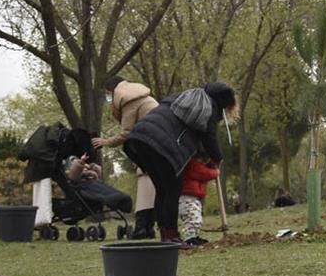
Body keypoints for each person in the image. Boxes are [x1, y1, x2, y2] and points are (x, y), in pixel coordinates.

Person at [123, 82, 237, 248]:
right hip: (160, 144)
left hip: (138, 139)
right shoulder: (208, 107)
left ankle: (165, 234)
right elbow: (209, 138)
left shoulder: (183, 96)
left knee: (162, 189)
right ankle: (171, 236)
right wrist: (216, 159)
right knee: (172, 189)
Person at [93, 76, 160, 238]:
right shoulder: (143, 98)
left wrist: (105, 141)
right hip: (159, 143)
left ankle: (142, 227)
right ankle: (149, 226)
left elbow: (126, 132)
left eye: (108, 95)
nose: (108, 99)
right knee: (154, 185)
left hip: (150, 146)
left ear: (112, 91)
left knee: (144, 182)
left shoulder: (129, 102)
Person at [179, 153, 218, 246]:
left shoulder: (196, 164)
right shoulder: (191, 164)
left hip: (193, 197)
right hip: (187, 197)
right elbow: (203, 174)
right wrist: (215, 172)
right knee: (192, 218)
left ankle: (194, 236)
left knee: (197, 218)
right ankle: (190, 238)